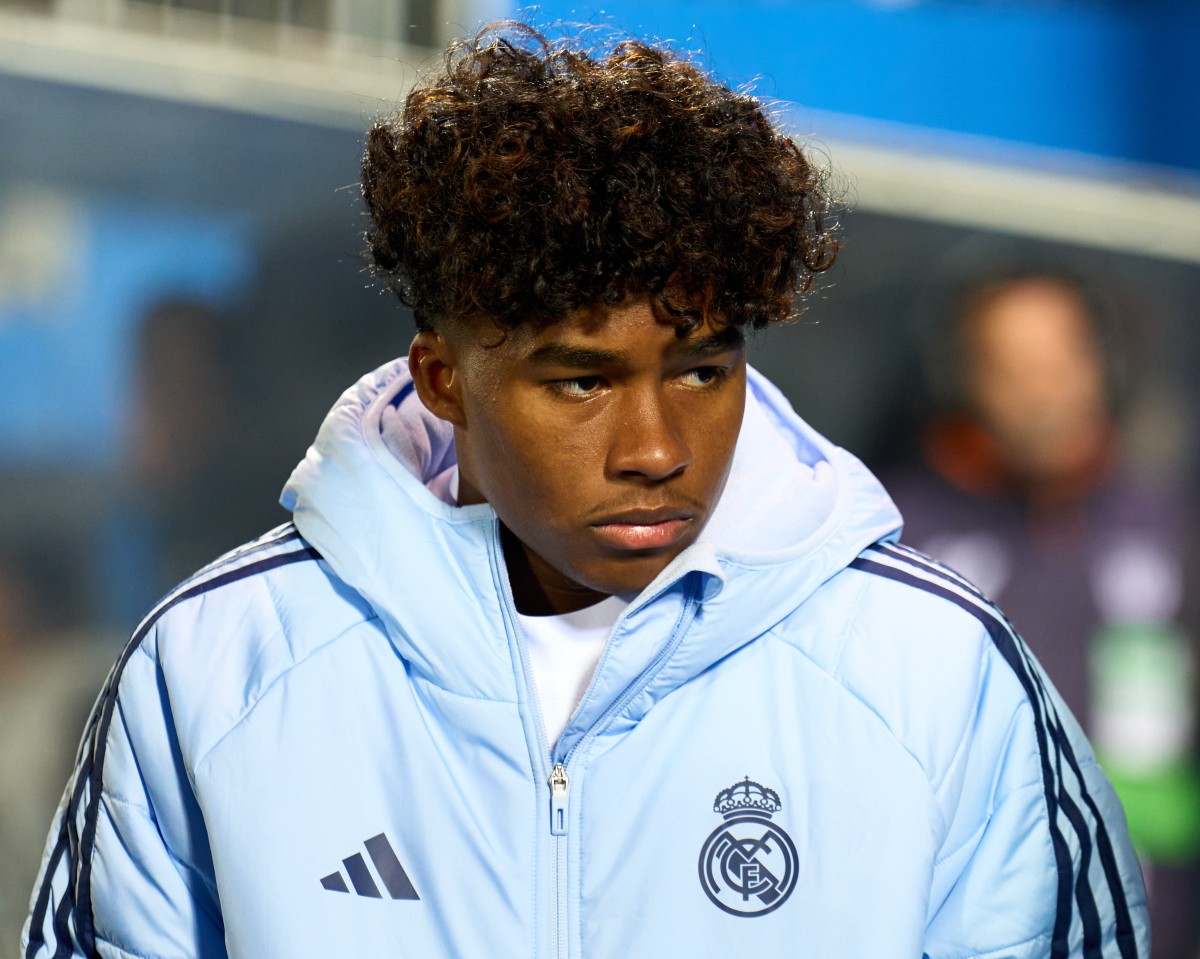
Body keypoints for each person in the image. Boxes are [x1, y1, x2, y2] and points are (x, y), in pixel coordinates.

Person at [24, 23, 1148, 958]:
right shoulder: (221, 666)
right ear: (445, 377)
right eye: (581, 380)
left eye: (703, 367)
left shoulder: (934, 670)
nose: (656, 446)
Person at [887, 258, 1199, 959]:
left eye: (1060, 362)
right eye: (1012, 368)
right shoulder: (903, 531)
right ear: (964, 381)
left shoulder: (1175, 529)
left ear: (1103, 368)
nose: (1041, 393)